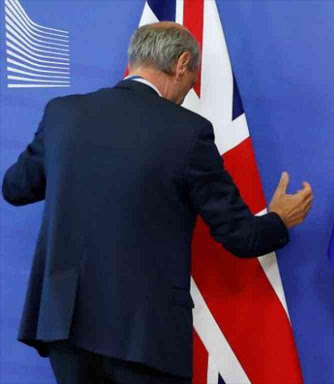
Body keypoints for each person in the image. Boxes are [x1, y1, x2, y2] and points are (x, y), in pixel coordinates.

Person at [2, 22, 313, 384]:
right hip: (145, 334)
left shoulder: (63, 115)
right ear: (182, 63)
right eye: (192, 77)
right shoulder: (186, 132)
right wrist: (278, 219)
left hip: (65, 325)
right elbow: (240, 237)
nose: (189, 89)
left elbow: (15, 188)